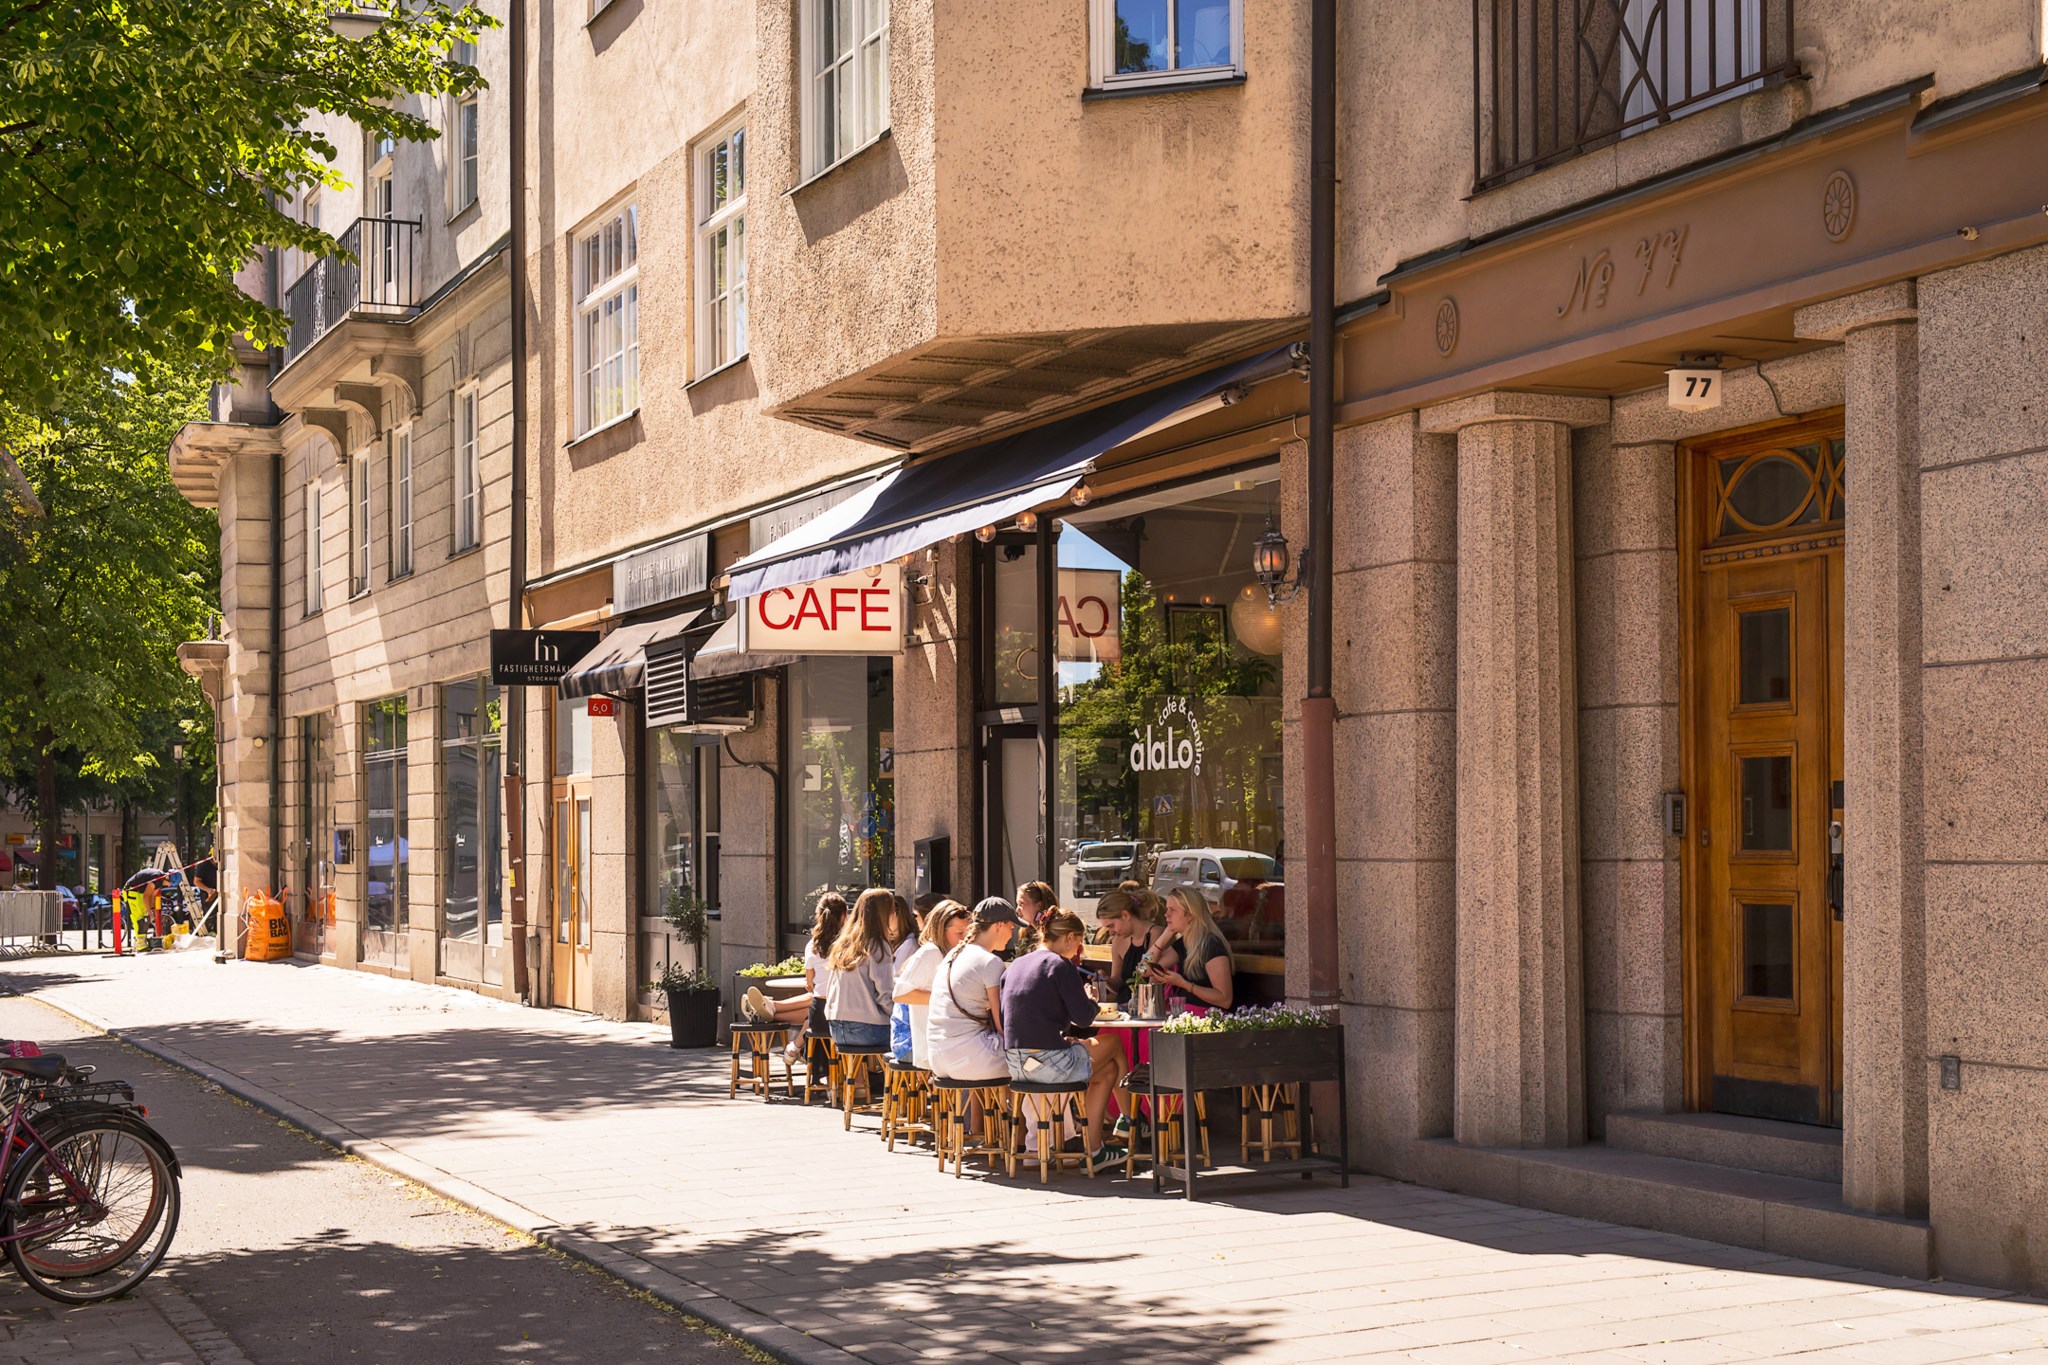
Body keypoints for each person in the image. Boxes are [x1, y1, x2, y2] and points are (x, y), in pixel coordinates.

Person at [1002, 908, 1130, 1172]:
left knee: (1107, 1071)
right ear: (1070, 938)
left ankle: (1094, 1150)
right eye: (1079, 942)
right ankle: (1128, 1121)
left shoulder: (1016, 965)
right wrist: (1092, 1000)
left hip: (1017, 1063)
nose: (1079, 949)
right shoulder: (1060, 965)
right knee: (1114, 1043)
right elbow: (1084, 1018)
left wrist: (1059, 1036)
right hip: (1048, 1063)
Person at [925, 897, 1019, 1081]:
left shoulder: (953, 954)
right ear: (999, 925)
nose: (1012, 934)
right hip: (970, 1058)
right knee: (1034, 1063)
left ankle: (983, 1102)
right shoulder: (990, 961)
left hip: (937, 1058)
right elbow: (1002, 1025)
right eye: (1011, 927)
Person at [892, 899, 970, 1067]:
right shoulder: (930, 953)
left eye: (967, 933)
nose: (964, 938)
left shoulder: (954, 954)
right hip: (930, 1047)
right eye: (959, 933)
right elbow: (900, 994)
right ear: (941, 930)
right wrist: (944, 997)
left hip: (949, 1043)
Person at [825, 888, 899, 1050]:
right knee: (912, 1037)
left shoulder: (843, 943)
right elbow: (885, 996)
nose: (895, 916)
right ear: (885, 914)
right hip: (868, 1028)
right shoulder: (878, 945)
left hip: (836, 1028)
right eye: (893, 911)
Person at [1149, 886, 1235, 1012]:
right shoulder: (1182, 944)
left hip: (1205, 1017)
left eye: (1172, 910)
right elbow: (1142, 969)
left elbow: (1225, 1000)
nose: (1166, 914)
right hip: (1183, 1014)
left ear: (1190, 915)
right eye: (1167, 909)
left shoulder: (1211, 945)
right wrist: (1163, 937)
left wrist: (1184, 984)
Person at [1094, 889, 1167, 1007]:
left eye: (1111, 926)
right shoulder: (1118, 941)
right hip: (1123, 1009)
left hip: (1148, 1008)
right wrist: (1105, 980)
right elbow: (1119, 982)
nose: (1110, 932)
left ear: (1125, 915)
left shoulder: (1156, 935)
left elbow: (1147, 969)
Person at [1010, 880, 1055, 959]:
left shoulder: (1056, 934)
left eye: (1021, 904)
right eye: (1017, 904)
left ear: (1039, 905)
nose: (1017, 910)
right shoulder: (1024, 933)